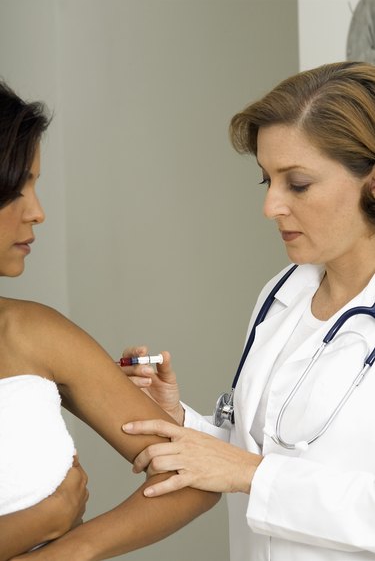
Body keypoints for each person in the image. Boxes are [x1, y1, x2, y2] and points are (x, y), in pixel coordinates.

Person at [121, 61, 375, 560]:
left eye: (297, 184)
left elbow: (255, 472)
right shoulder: (281, 295)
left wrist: (249, 474)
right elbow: (268, 453)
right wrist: (182, 423)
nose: (271, 206)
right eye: (267, 181)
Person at [0, 81, 220, 561]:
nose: (37, 212)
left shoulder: (34, 333)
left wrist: (70, 549)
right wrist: (45, 520)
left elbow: (194, 477)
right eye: (15, 191)